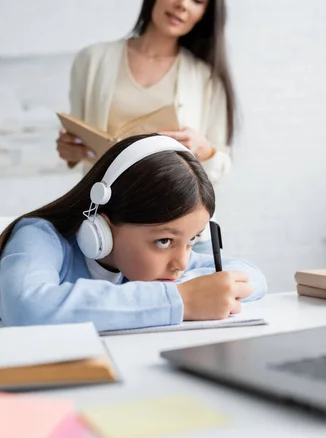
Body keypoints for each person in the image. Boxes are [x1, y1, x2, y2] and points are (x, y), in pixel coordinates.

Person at [56, 0, 237, 253]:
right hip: (106, 228)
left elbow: (221, 163)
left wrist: (204, 150)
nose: (182, 3)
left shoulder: (207, 78)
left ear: (205, 13)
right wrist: (70, 151)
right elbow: (81, 154)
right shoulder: (92, 61)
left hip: (178, 232)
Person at [0, 135, 267, 332]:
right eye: (164, 241)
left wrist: (203, 289)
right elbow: (27, 308)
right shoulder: (38, 236)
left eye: (192, 240)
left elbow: (253, 277)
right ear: (102, 228)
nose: (181, 263)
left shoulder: (156, 265)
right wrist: (183, 299)